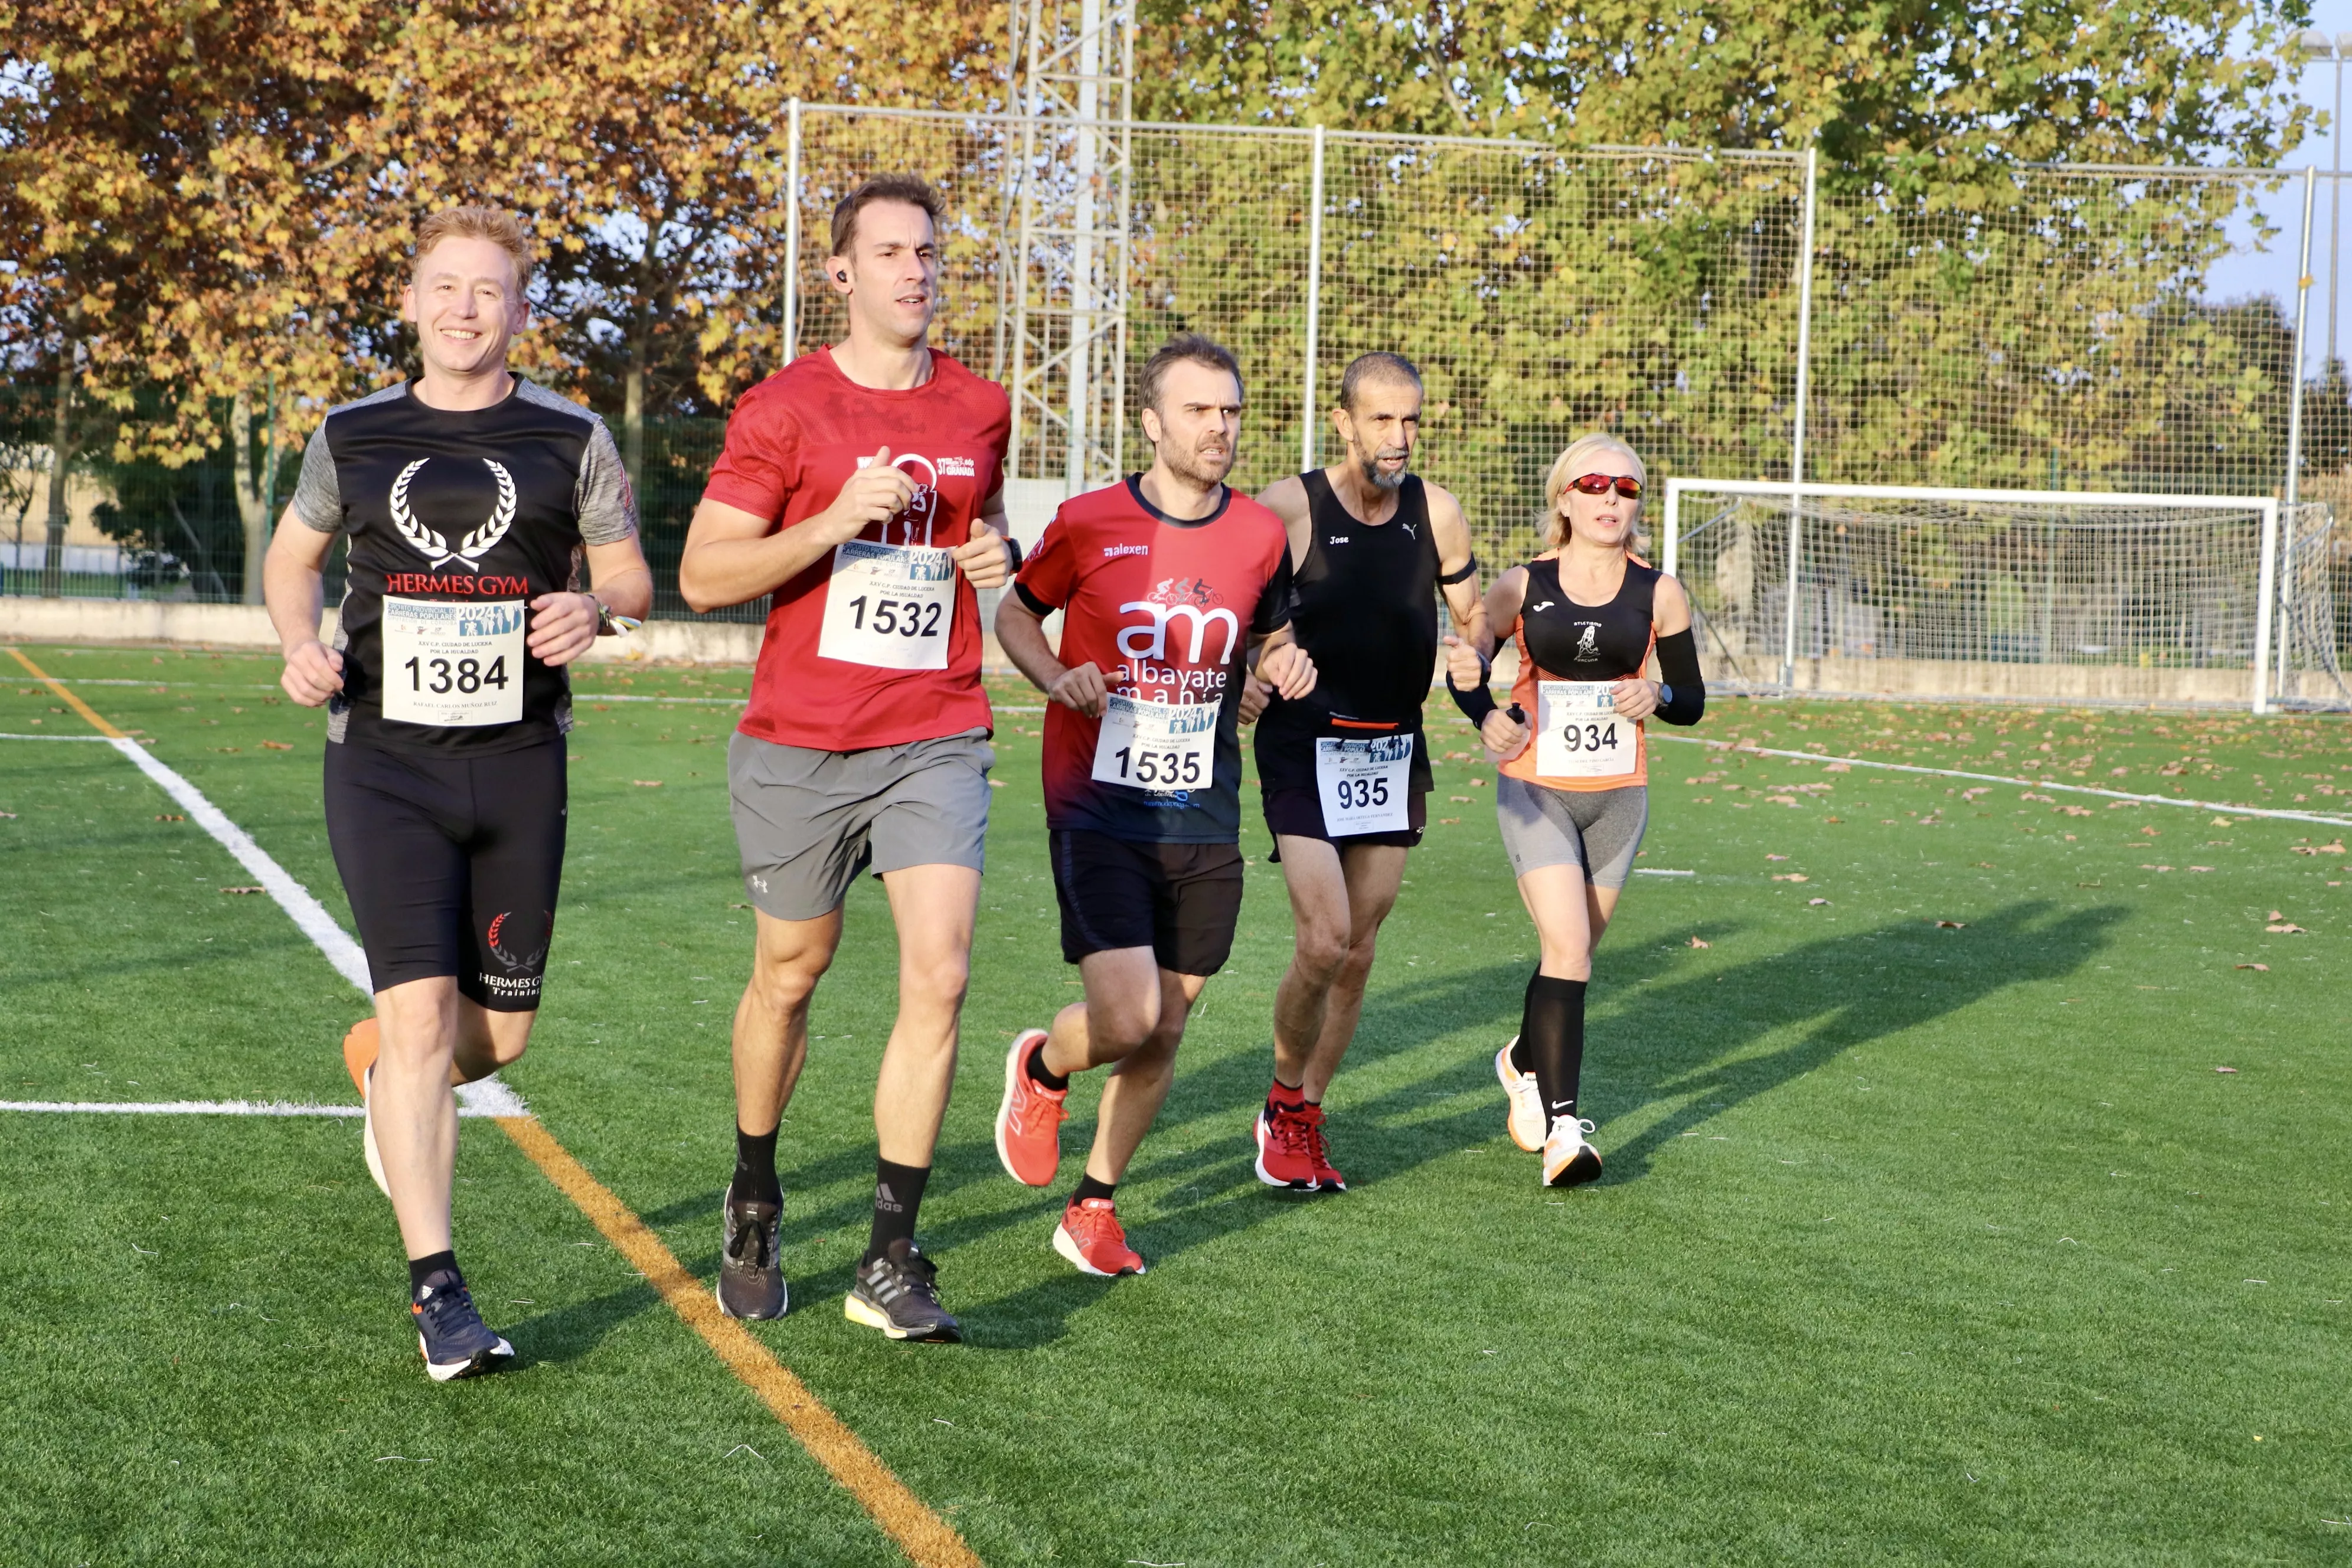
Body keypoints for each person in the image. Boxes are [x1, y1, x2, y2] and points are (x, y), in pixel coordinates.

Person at [266, 204, 653, 1380]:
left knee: (501, 1030)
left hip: (522, 761)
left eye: (489, 290)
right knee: (425, 1012)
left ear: (521, 312)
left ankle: (390, 1077)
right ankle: (440, 1290)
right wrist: (297, 643)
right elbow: (295, 561)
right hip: (383, 761)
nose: (465, 308)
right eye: (445, 286)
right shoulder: (356, 432)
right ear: (413, 302)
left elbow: (633, 565)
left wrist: (601, 605)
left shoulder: (570, 434)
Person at [678, 175, 1015, 1342]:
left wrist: (995, 557)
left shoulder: (982, 407)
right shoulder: (784, 411)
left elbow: (983, 536)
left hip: (936, 729)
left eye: (929, 251)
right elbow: (704, 574)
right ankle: (757, 1193)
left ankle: (889, 1252)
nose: (916, 271)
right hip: (800, 742)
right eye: (890, 252)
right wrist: (832, 519)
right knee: (792, 969)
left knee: (942, 970)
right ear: (842, 274)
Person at [992, 333, 1315, 1276]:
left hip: (1205, 811)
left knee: (1169, 1025)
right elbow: (1016, 611)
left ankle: (1094, 1204)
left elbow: (1271, 638)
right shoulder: (1091, 521)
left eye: (1230, 411)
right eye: (1198, 410)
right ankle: (1045, 1066)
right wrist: (1056, 677)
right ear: (1151, 421)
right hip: (1095, 802)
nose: (1219, 428)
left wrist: (1281, 662)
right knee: (1128, 1017)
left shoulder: (1260, 533)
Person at [1240, 351, 1485, 1192]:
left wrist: (1475, 650)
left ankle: (1305, 1113)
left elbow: (1473, 615)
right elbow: (1237, 613)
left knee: (1359, 951)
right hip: (1304, 743)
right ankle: (1280, 1100)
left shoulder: (1438, 513)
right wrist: (1267, 663)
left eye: (1412, 419)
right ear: (1343, 421)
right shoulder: (1289, 506)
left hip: (1391, 747)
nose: (1400, 436)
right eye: (1382, 419)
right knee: (1324, 938)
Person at [1443, 432, 1704, 1187]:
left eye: (1626, 489)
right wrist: (1481, 712)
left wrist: (1657, 691)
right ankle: (1565, 1130)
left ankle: (1520, 1061)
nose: (1610, 500)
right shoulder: (1521, 585)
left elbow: (1691, 701)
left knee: (1573, 956)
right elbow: (1469, 667)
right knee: (1569, 949)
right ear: (1565, 498)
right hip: (1536, 787)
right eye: (1595, 485)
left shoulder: (1660, 591)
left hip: (1619, 797)